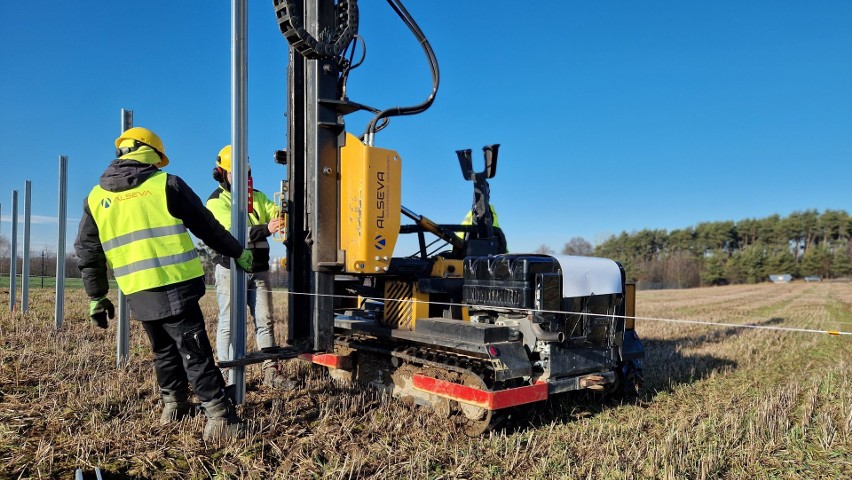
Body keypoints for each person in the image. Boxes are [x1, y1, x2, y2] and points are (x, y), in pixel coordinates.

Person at [74, 127, 254, 442]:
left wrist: (96, 295)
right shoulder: (166, 184)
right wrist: (238, 252)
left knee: (163, 351)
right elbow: (207, 227)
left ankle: (174, 406)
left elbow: (88, 250)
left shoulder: (95, 197)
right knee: (195, 352)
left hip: (137, 289)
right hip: (175, 286)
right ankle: (221, 418)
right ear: (154, 155)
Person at [205, 145, 288, 389]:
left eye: (246, 173)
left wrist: (284, 211)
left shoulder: (258, 196)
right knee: (229, 323)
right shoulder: (216, 201)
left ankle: (271, 371)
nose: (242, 178)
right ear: (222, 173)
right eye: (235, 173)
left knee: (265, 320)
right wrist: (266, 228)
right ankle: (230, 377)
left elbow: (274, 212)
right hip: (231, 269)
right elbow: (231, 234)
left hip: (259, 268)